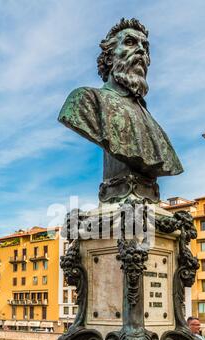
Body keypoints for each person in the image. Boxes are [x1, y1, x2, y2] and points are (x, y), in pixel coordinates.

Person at [58, 18, 183, 203]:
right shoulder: (85, 100)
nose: (141, 50)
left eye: (145, 47)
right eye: (131, 42)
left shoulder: (153, 124)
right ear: (109, 58)